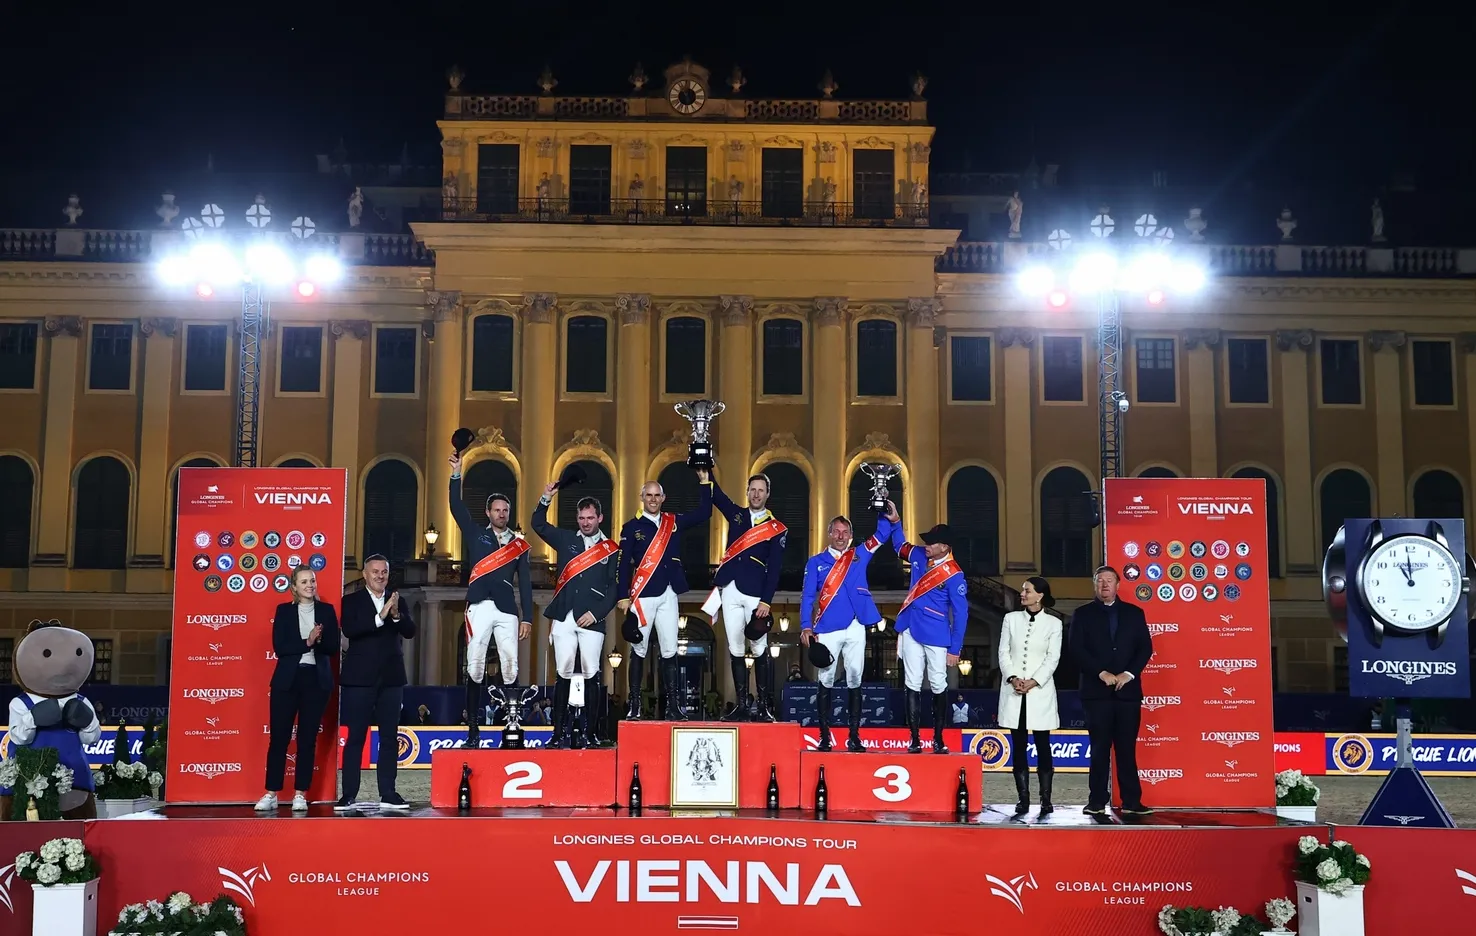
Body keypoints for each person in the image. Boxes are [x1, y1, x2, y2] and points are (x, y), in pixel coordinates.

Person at [448, 453, 533, 748]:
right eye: (496, 510)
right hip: (479, 606)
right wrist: (456, 474)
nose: (501, 514)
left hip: (508, 610)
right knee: (475, 666)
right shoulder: (475, 534)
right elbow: (456, 507)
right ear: (488, 513)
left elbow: (525, 582)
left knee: (511, 666)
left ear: (509, 513)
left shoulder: (518, 545)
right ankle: (473, 730)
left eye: (505, 510)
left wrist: (527, 617)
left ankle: (512, 724)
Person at [533, 479, 620, 748]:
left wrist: (596, 614)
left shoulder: (611, 548)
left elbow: (615, 587)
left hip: (592, 619)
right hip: (565, 616)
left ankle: (591, 734)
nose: (585, 522)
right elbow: (538, 525)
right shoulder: (567, 539)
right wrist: (546, 497)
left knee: (593, 675)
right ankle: (558, 733)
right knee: (563, 674)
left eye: (590, 518)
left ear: (600, 518)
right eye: (581, 518)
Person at [616, 476, 712, 720]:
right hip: (643, 594)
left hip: (669, 592)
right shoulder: (631, 527)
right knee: (638, 649)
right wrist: (622, 596)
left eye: (657, 495)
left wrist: (703, 482)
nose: (653, 500)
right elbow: (623, 566)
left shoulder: (673, 522)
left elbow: (703, 512)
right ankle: (635, 705)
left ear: (663, 498)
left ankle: (673, 706)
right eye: (649, 495)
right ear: (642, 498)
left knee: (670, 650)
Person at [700, 469, 787, 722]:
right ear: (747, 492)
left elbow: (775, 569)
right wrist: (707, 472)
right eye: (753, 490)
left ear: (767, 494)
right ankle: (740, 705)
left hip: (756, 594)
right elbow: (718, 496)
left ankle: (762, 706)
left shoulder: (776, 528)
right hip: (730, 589)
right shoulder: (737, 515)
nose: (756, 494)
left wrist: (766, 601)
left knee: (759, 648)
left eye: (761, 490)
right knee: (735, 648)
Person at [799, 514, 890, 752]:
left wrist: (882, 511)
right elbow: (808, 597)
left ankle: (854, 737)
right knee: (825, 679)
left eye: (845, 532)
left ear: (850, 535)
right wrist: (805, 626)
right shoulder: (815, 561)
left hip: (856, 625)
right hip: (827, 626)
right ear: (829, 533)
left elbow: (882, 535)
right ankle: (824, 737)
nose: (840, 536)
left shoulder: (859, 555)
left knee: (855, 678)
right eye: (836, 532)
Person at [1071, 565, 1154, 816]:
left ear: (1118, 585)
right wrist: (1101, 672)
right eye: (1100, 581)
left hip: (1127, 694)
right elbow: (1076, 649)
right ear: (1095, 586)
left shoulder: (1134, 613)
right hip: (1097, 695)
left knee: (1127, 749)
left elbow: (1144, 649)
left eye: (1109, 581)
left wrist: (1128, 675)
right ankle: (1096, 801)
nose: (1105, 585)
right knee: (1098, 749)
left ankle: (1131, 801)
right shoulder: (1082, 614)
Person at [886, 505, 969, 754]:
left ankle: (938, 738)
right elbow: (899, 545)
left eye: (932, 543)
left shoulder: (954, 575)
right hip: (911, 627)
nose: (927, 546)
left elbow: (962, 613)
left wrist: (955, 648)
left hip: (936, 634)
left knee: (937, 683)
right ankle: (913, 738)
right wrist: (896, 521)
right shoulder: (919, 556)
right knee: (911, 683)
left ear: (945, 547)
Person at [337, 554, 416, 811]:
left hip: (391, 679)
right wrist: (380, 617)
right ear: (364, 574)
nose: (380, 576)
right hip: (359, 680)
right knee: (356, 738)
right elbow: (351, 629)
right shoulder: (350, 601)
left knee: (390, 738)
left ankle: (389, 793)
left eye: (384, 572)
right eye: (375, 572)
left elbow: (410, 631)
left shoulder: (397, 600)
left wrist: (395, 615)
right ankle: (348, 794)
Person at [259, 566, 339, 812]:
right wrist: (308, 642)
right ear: (294, 587)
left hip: (316, 681)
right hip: (287, 681)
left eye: (312, 581)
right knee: (279, 739)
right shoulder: (284, 612)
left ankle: (300, 794)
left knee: (307, 740)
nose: (310, 585)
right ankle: (271, 792)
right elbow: (280, 648)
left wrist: (319, 640)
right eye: (304, 581)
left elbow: (333, 646)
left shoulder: (326, 611)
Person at [998, 576, 1062, 816]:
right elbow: (1003, 652)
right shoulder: (1010, 619)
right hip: (1014, 692)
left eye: (1027, 590)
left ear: (1040, 595)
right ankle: (1022, 799)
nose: (1022, 594)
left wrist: (1034, 681)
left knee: (1043, 747)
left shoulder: (1054, 623)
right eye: (1023, 590)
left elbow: (1052, 657)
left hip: (1040, 693)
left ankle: (1046, 799)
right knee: (1019, 746)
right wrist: (1014, 678)